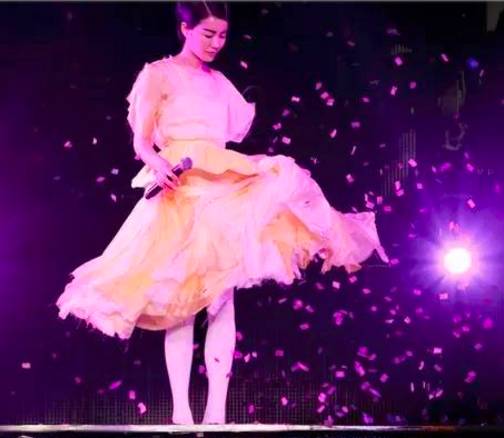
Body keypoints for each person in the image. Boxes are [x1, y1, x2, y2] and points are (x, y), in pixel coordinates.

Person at [56, 0, 388, 425]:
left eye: (223, 36)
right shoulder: (158, 74)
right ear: (185, 29)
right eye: (208, 34)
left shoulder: (220, 83)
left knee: (221, 297)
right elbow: (141, 141)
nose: (216, 43)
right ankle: (181, 413)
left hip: (223, 190)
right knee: (179, 302)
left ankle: (216, 412)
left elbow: (225, 138)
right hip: (182, 190)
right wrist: (157, 163)